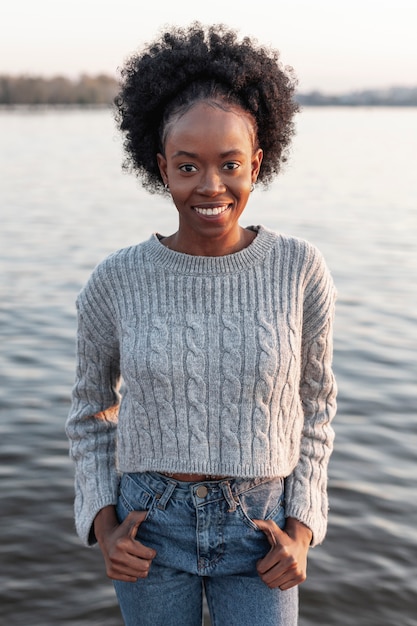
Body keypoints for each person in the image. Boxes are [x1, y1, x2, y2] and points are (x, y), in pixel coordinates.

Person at [66, 23, 337, 626]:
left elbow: (317, 405)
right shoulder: (115, 280)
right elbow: (89, 411)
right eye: (188, 167)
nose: (210, 187)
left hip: (260, 535)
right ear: (161, 168)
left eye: (230, 165)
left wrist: (303, 529)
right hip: (149, 529)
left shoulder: (300, 270)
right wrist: (104, 527)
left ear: (257, 164)